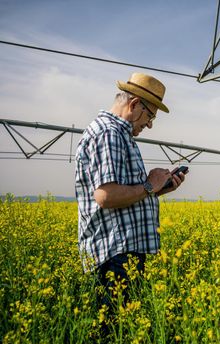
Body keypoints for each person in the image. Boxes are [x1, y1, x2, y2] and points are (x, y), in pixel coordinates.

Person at [75, 72, 186, 309]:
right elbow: (106, 196)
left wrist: (157, 190)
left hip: (122, 252)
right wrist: (149, 185)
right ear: (135, 104)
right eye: (150, 115)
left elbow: (123, 195)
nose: (150, 124)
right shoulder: (109, 133)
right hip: (114, 255)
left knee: (122, 333)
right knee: (113, 337)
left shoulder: (119, 135)